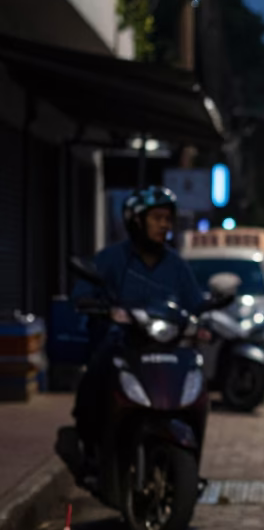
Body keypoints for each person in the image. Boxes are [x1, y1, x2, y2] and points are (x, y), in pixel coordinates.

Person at [71, 186, 203, 449]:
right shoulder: (111, 258)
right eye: (157, 218)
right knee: (94, 377)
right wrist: (102, 308)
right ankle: (90, 447)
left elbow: (195, 303)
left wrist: (204, 324)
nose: (163, 225)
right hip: (119, 346)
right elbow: (83, 292)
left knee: (195, 380)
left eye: (167, 219)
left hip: (165, 348)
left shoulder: (177, 265)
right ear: (136, 221)